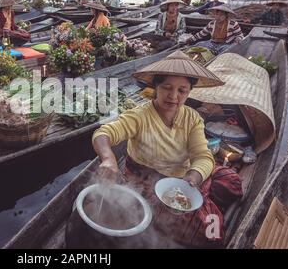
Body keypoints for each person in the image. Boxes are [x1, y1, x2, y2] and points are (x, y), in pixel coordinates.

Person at [93, 50, 237, 247]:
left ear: (189, 92)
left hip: (184, 179)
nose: (173, 96)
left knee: (232, 183)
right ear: (156, 87)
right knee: (206, 231)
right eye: (167, 88)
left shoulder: (192, 118)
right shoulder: (140, 116)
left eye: (182, 91)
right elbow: (104, 133)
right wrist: (108, 159)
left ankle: (204, 193)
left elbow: (202, 156)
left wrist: (193, 178)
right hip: (147, 181)